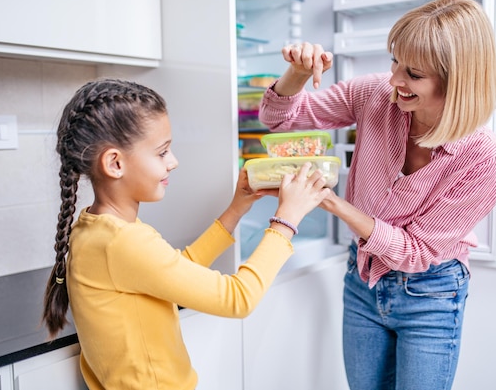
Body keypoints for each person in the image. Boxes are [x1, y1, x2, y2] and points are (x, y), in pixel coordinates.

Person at [259, 0, 496, 390]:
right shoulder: (376, 95)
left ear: (458, 80)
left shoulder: (483, 157)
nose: (394, 80)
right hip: (363, 279)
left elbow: (417, 252)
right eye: (395, 61)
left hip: (430, 293)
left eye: (414, 73)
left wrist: (334, 204)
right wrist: (296, 73)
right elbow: (279, 119)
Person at [42, 78, 330, 390]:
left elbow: (176, 270)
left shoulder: (96, 229)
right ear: (115, 163)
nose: (174, 161)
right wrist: (286, 220)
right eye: (162, 152)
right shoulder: (122, 242)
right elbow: (238, 298)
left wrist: (236, 209)